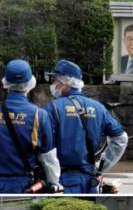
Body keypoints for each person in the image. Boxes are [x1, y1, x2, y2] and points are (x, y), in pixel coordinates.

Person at [45, 60, 128, 194]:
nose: (52, 84)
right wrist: (101, 166)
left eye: (54, 80)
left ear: (65, 82)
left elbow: (44, 146)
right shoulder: (98, 108)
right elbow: (121, 138)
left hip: (62, 178)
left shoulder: (53, 108)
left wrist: (50, 177)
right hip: (89, 180)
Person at [0, 59, 61, 193]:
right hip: (28, 186)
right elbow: (48, 159)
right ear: (31, 83)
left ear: (6, 82)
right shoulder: (39, 115)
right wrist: (54, 184)